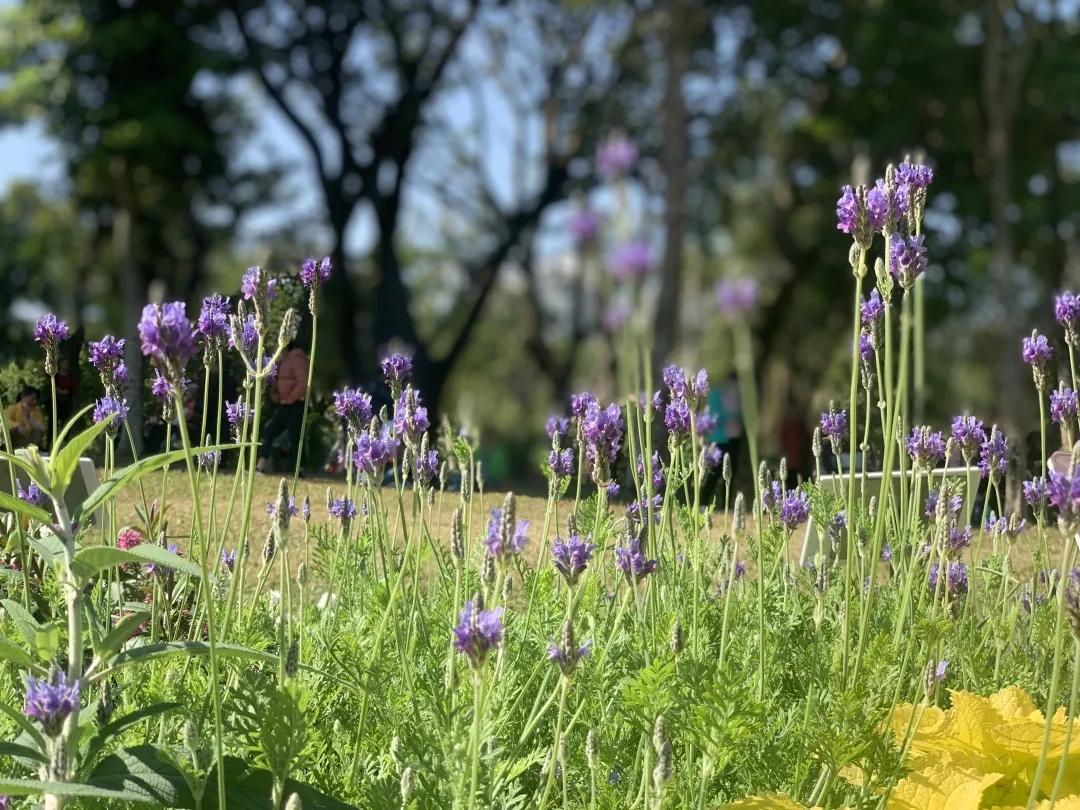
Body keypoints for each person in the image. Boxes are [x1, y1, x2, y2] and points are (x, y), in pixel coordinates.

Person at [256, 343, 309, 472]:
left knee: (296, 437)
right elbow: (278, 380)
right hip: (284, 405)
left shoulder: (297, 357)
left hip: (296, 404)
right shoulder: (283, 360)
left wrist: (289, 399)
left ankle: (299, 469)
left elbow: (303, 384)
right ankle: (260, 466)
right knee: (269, 431)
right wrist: (275, 394)